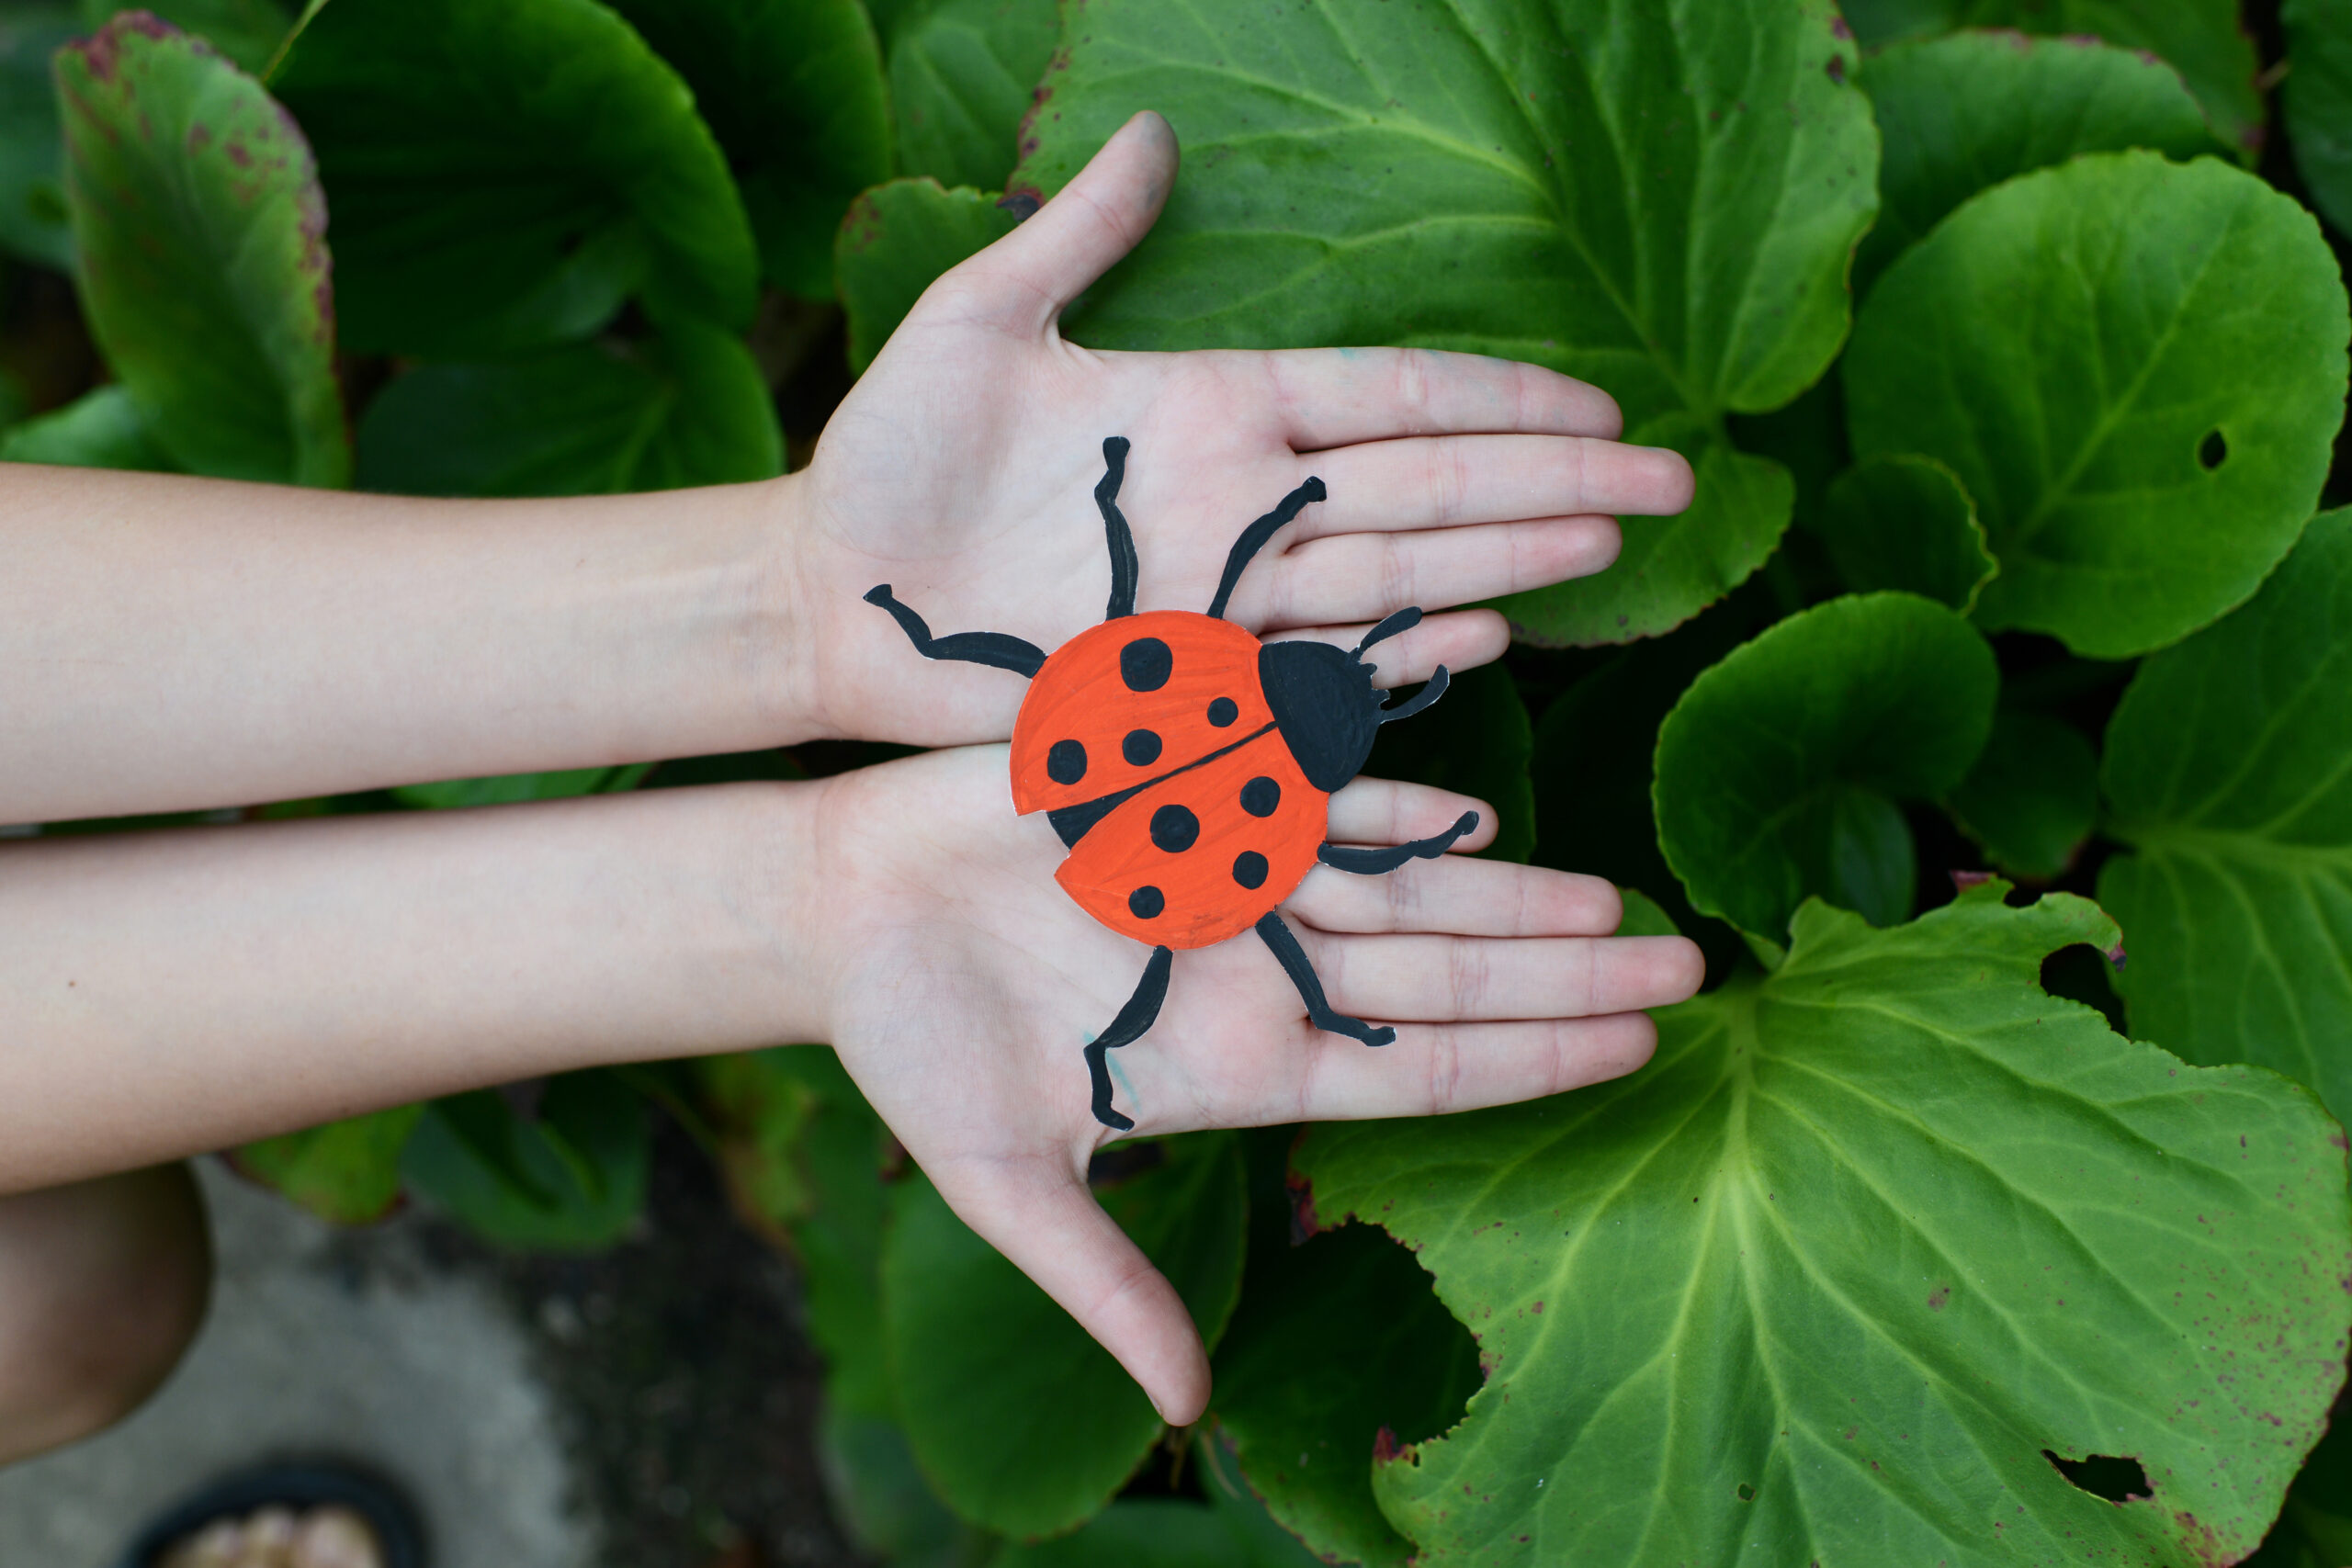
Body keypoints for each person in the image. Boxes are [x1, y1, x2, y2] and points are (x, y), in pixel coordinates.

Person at [0, 107, 1702, 1517]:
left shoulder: (1216, 718)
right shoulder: (1245, 755)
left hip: (1131, 777)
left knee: (76, 1312)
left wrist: (794, 619)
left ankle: (782, 729)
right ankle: (774, 785)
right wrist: (789, 767)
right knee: (73, 1313)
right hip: (1129, 786)